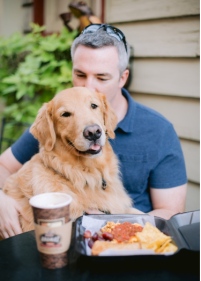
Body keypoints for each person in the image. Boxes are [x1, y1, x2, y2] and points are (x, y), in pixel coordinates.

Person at [0, 24, 187, 239]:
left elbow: (170, 213)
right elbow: (3, 166)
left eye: (101, 77)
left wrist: (115, 224)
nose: (88, 86)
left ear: (122, 78)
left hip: (132, 248)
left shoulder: (159, 131)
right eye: (80, 74)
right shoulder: (59, 118)